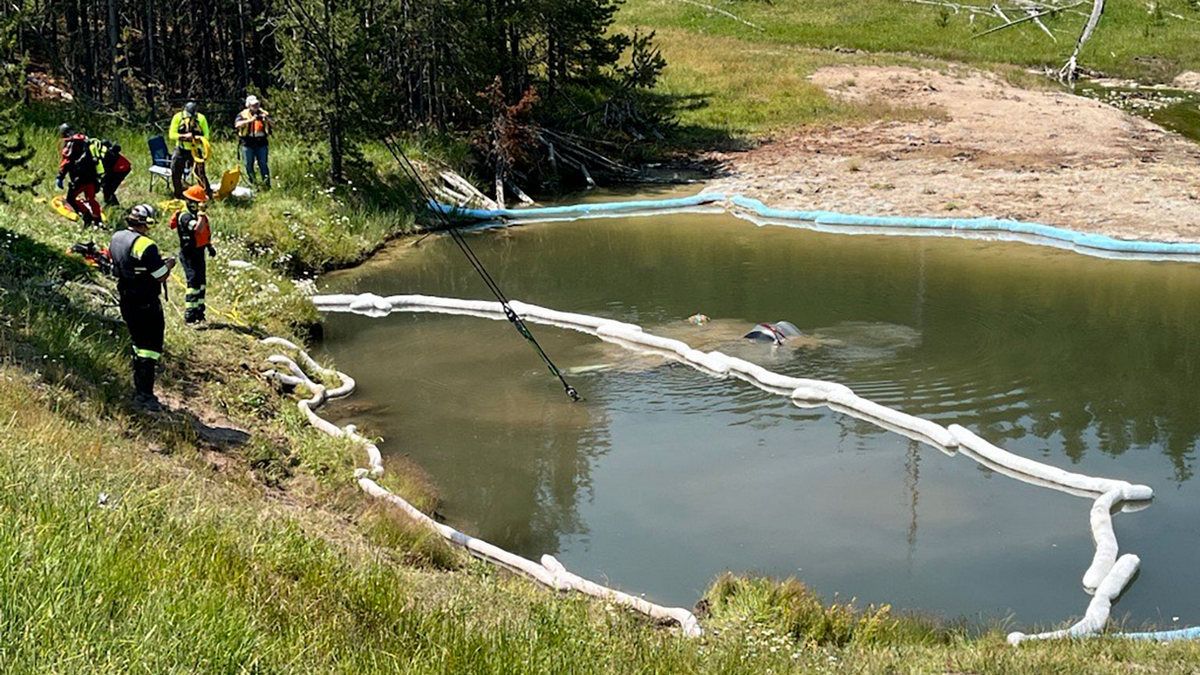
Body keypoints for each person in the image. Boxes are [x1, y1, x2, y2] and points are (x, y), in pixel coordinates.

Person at [109, 204, 175, 412]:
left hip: (126, 298)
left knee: (138, 344)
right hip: (145, 302)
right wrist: (169, 264)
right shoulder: (146, 245)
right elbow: (160, 275)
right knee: (150, 348)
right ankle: (144, 395)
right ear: (147, 222)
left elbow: (128, 262)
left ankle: (139, 387)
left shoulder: (117, 237)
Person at [170, 184, 216, 324]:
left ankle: (199, 312)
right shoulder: (185, 216)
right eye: (199, 202)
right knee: (193, 282)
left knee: (201, 282)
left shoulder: (196, 214)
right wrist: (201, 214)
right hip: (189, 253)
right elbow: (198, 229)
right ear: (190, 201)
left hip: (199, 251)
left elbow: (204, 234)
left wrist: (209, 246)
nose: (201, 205)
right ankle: (190, 314)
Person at [55, 123, 104, 227]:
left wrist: (60, 177)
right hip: (92, 176)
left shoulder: (71, 143)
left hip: (80, 177)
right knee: (91, 199)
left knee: (71, 199)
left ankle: (87, 217)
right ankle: (98, 221)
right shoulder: (86, 140)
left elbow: (66, 161)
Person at [168, 101, 211, 199]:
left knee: (200, 173)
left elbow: (207, 136)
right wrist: (183, 136)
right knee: (175, 170)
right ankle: (178, 194)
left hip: (195, 149)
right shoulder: (178, 117)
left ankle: (205, 193)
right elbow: (172, 135)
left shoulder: (201, 118)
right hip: (181, 149)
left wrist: (197, 138)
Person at [234, 94, 272, 188]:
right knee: (248, 164)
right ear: (248, 105)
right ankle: (253, 184)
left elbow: (274, 124)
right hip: (248, 143)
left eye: (257, 104)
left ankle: (266, 184)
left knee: (263, 164)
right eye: (253, 105)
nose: (256, 106)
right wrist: (250, 121)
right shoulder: (242, 114)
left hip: (261, 142)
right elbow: (237, 125)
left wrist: (266, 119)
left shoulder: (264, 114)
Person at [95, 138, 132, 206]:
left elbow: (107, 170)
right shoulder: (106, 153)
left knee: (108, 188)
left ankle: (114, 205)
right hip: (116, 168)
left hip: (122, 170)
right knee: (106, 186)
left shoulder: (110, 155)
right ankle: (109, 203)